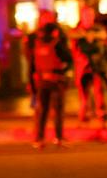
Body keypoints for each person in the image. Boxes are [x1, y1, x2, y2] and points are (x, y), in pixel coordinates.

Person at [27, 19, 74, 148]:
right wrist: (63, 70)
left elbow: (32, 65)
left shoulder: (37, 44)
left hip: (42, 81)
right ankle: (58, 137)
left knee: (43, 111)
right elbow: (69, 59)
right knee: (58, 110)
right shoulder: (56, 44)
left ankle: (39, 139)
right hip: (56, 80)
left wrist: (31, 82)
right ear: (54, 32)